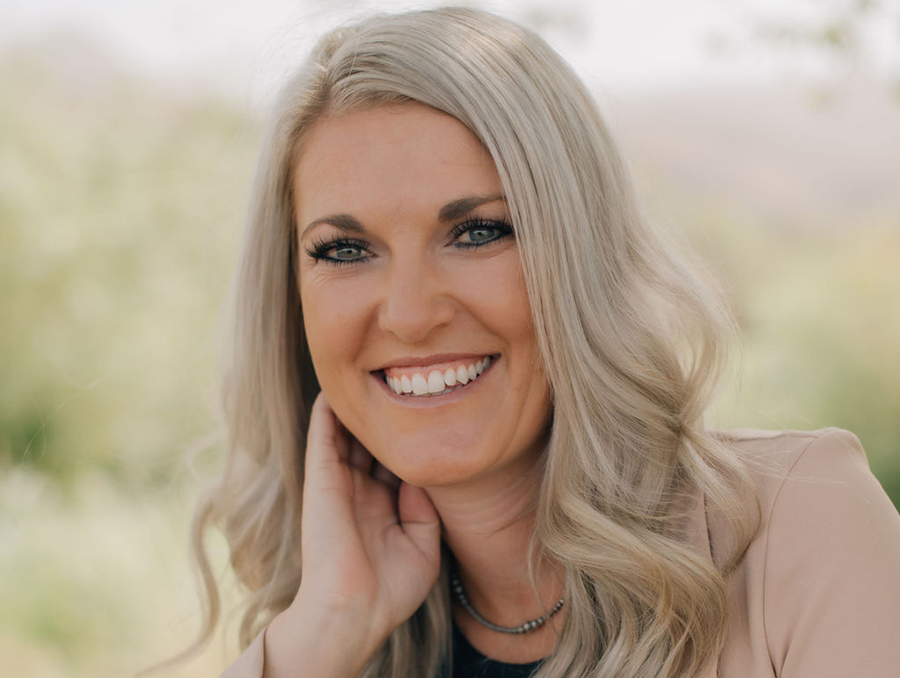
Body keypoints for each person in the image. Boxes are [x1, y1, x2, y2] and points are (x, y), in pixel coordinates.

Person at [178, 7, 900, 678]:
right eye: (343, 250)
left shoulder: (801, 524)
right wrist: (323, 635)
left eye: (478, 232)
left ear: (579, 257)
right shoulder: (329, 624)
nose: (408, 314)